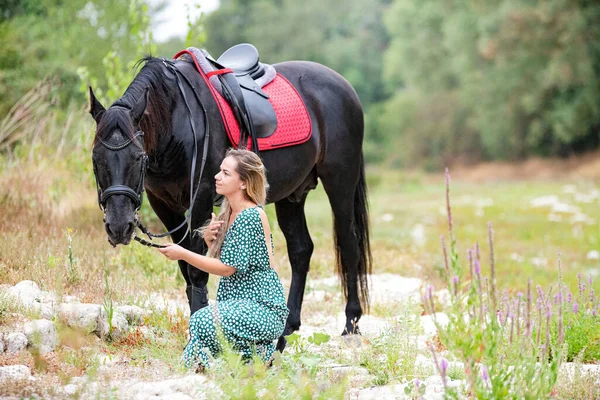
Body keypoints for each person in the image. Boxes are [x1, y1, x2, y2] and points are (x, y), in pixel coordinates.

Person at [157, 149, 288, 369]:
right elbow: (231, 259)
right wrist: (210, 242)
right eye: (220, 171)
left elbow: (227, 268)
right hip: (239, 305)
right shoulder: (230, 212)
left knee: (201, 321)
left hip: (262, 308)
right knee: (198, 336)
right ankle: (250, 356)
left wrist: (184, 253)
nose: (217, 176)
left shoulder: (250, 216)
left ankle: (261, 354)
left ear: (243, 183)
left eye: (226, 173)